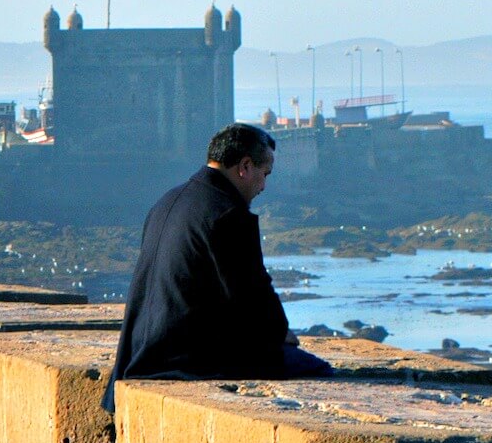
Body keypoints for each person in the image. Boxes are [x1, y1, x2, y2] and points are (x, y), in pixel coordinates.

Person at [103, 123, 331, 411]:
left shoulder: (168, 201)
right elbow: (253, 295)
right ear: (245, 167)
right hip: (184, 360)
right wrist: (279, 333)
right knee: (320, 371)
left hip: (139, 354)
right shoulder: (227, 213)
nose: (263, 186)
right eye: (265, 174)